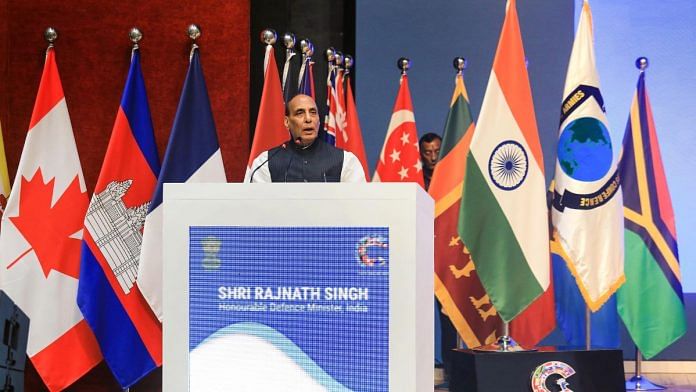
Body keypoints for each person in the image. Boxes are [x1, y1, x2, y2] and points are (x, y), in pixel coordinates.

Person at [247, 94, 365, 183]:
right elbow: (258, 207)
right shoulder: (265, 162)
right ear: (287, 122)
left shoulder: (345, 161)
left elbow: (357, 204)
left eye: (313, 112)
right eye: (300, 113)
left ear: (319, 120)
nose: (308, 119)